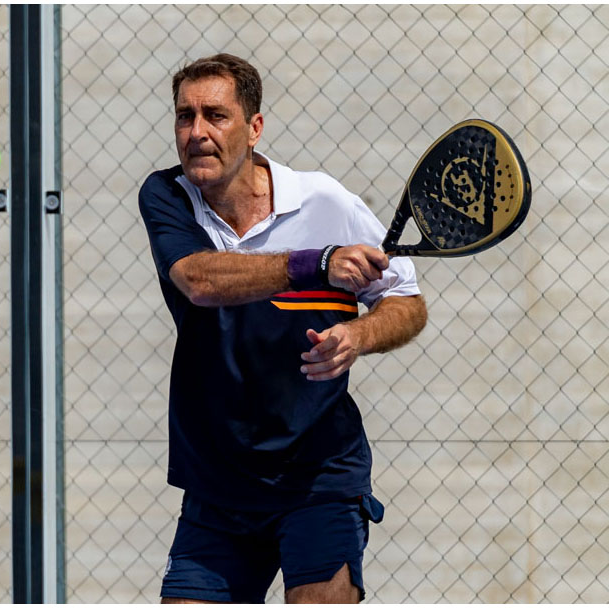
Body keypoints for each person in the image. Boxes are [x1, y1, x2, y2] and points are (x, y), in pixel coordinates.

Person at [138, 53, 427, 604]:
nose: (196, 132)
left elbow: (405, 301)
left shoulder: (325, 201)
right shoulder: (167, 195)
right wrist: (318, 264)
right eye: (184, 116)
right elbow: (199, 280)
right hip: (217, 481)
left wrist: (359, 336)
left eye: (215, 116)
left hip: (319, 474)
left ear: (254, 128)